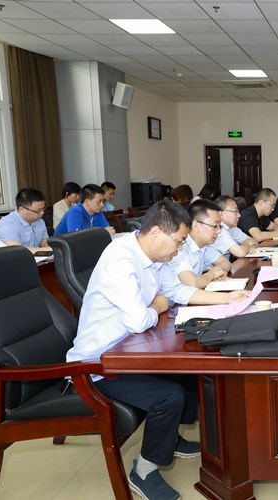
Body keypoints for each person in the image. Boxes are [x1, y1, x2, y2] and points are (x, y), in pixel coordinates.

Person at [66, 199, 249, 500]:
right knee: (169, 395)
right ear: (155, 233)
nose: (179, 249)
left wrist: (227, 299)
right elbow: (139, 320)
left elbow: (176, 292)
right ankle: (144, 470)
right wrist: (159, 304)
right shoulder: (120, 259)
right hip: (98, 365)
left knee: (189, 372)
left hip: (129, 352)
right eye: (178, 241)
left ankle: (170, 437)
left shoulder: (156, 257)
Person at [168, 200, 232, 289]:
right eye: (215, 226)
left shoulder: (204, 245)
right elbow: (193, 283)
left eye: (219, 226)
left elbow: (226, 263)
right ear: (196, 226)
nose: (219, 231)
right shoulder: (179, 247)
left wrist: (219, 271)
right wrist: (212, 274)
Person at [0, 188, 51, 254]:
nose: (42, 213)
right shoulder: (6, 224)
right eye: (38, 211)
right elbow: (16, 250)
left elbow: (44, 242)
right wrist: (48, 250)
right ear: (22, 210)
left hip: (38, 259)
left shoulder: (40, 221)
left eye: (43, 209)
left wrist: (51, 248)